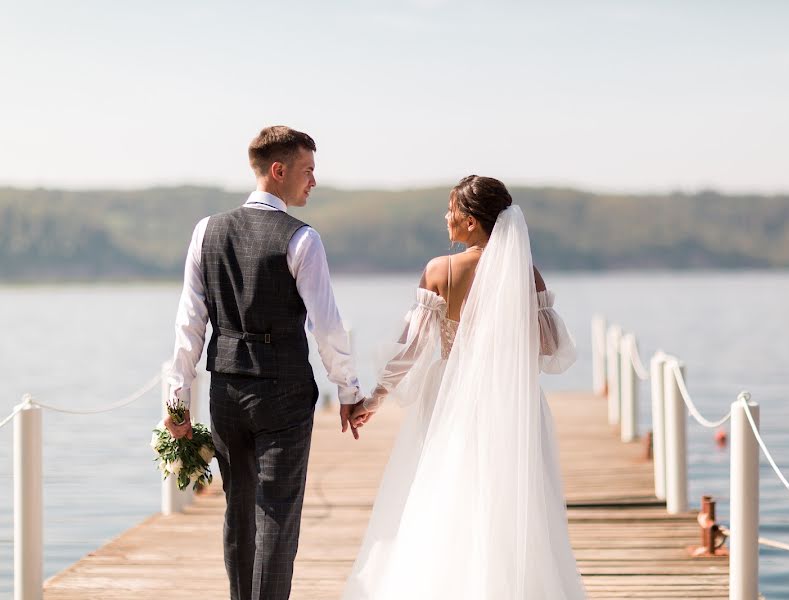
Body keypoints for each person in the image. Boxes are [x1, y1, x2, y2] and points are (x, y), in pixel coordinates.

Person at [343, 175, 586, 599]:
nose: (446, 216)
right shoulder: (527, 275)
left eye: (452, 209)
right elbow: (553, 348)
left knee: (448, 497)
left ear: (472, 221)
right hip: (514, 402)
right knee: (512, 503)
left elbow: (410, 350)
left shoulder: (443, 270)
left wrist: (372, 400)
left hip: (451, 402)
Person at [164, 126, 364, 600]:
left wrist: (177, 399)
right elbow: (328, 327)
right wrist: (350, 392)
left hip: (226, 389)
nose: (313, 181)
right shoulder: (302, 239)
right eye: (308, 170)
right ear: (279, 171)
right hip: (285, 392)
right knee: (277, 512)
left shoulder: (205, 231)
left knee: (239, 511)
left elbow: (189, 322)